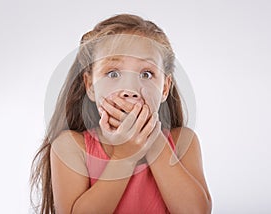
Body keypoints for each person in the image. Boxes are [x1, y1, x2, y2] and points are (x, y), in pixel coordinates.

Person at [30, 13, 212, 214]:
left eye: (146, 74)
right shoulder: (70, 146)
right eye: (113, 73)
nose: (130, 88)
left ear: (164, 88)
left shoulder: (182, 142)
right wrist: (124, 157)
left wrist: (153, 141)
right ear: (90, 85)